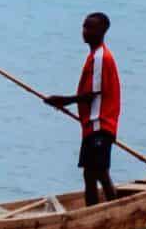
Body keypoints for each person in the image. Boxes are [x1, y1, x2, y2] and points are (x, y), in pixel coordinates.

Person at [44, 11, 121, 203]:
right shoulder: (93, 56)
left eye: (89, 27)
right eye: (84, 26)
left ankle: (113, 209)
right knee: (89, 174)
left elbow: (94, 93)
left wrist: (63, 100)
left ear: (101, 31)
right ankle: (92, 211)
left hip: (100, 124)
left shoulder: (101, 57)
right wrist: (63, 101)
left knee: (100, 172)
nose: (84, 31)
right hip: (90, 126)